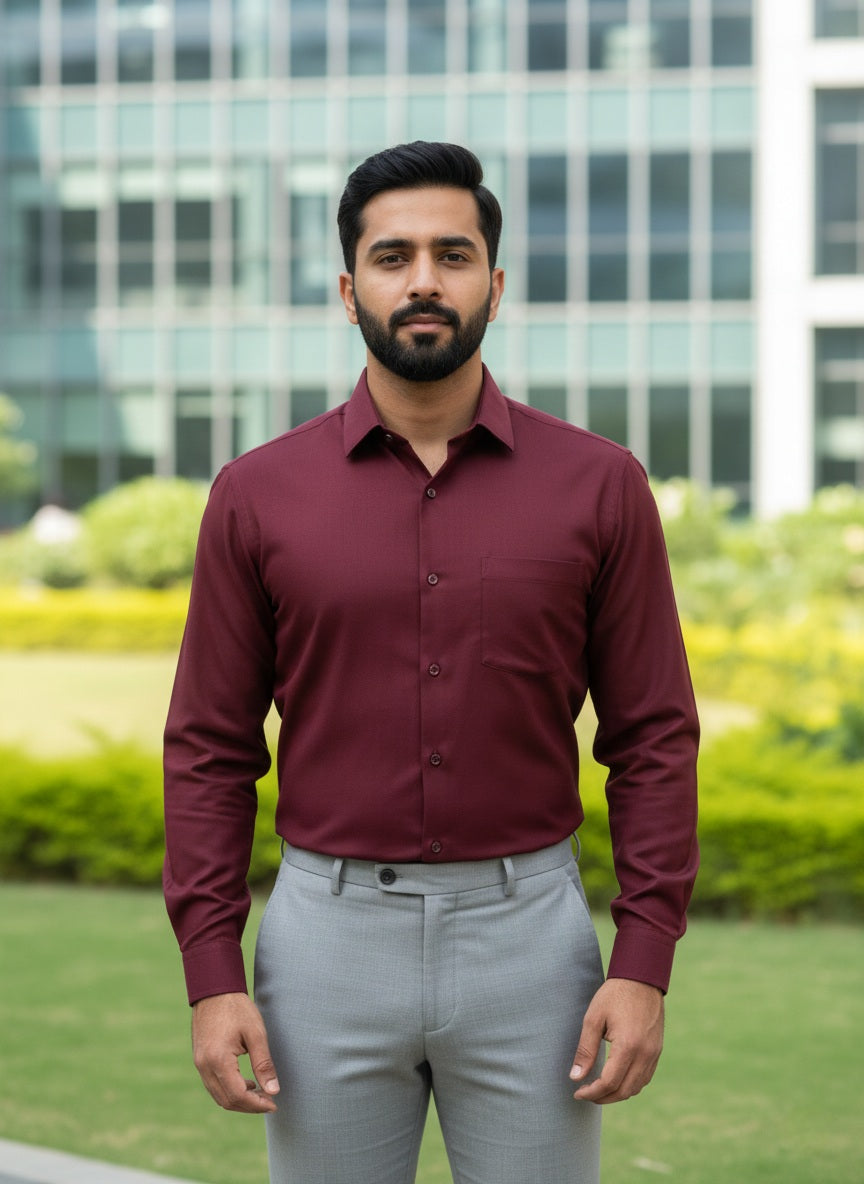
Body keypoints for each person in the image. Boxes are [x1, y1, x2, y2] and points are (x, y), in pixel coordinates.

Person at [163, 141, 699, 1184]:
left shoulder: (600, 485)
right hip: (325, 941)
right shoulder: (256, 493)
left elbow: (653, 738)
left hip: (533, 942)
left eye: (452, 255)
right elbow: (209, 748)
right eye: (392, 255)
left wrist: (644, 962)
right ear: (347, 286)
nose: (422, 281)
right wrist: (210, 974)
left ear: (494, 285)